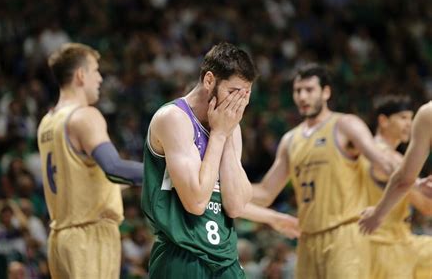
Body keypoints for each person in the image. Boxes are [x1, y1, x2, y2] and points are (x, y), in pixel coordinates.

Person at [141, 42, 299, 279]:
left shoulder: (229, 126)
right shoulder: (174, 119)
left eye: (245, 95)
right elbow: (196, 201)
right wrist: (219, 135)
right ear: (209, 80)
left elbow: (235, 204)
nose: (238, 103)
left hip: (225, 258)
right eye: (233, 92)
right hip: (183, 254)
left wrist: (225, 132)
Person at [250, 63, 398, 279]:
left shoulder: (345, 124)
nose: (302, 97)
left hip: (345, 235)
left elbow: (383, 163)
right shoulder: (290, 140)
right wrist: (222, 187)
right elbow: (265, 193)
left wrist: (411, 182)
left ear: (326, 92)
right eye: (297, 91)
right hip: (307, 239)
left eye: (309, 90)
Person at [37, 43, 144, 278]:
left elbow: (83, 182)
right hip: (89, 239)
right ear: (80, 75)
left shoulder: (47, 122)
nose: (100, 78)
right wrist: (170, 173)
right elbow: (114, 169)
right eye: (96, 70)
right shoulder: (85, 116)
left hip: (61, 239)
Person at [358, 95, 432, 278]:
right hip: (384, 243)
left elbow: (423, 203)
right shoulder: (382, 154)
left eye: (411, 118)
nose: (409, 123)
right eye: (403, 118)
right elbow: (424, 203)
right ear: (383, 121)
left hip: (387, 240)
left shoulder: (370, 152)